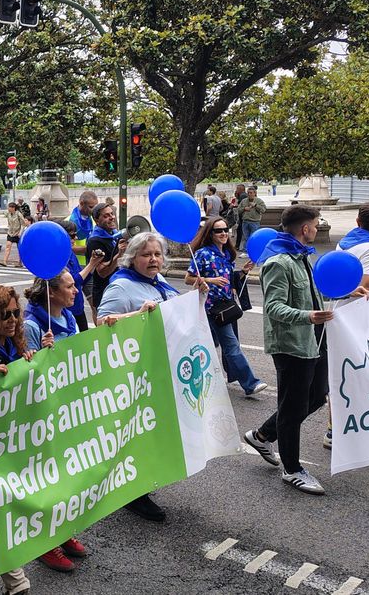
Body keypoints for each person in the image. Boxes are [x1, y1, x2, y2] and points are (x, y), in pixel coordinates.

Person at [0, 284, 81, 581]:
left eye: (16, 313)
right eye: (3, 314)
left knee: (28, 496)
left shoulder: (18, 346)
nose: (12, 320)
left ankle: (43, 543)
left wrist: (41, 361)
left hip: (18, 442)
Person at [242, 205, 352, 496]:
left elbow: (315, 293)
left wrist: (350, 291)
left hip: (315, 338)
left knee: (316, 397)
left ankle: (263, 434)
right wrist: (307, 316)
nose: (317, 229)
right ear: (305, 228)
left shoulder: (302, 257)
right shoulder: (278, 261)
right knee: (292, 407)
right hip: (292, 344)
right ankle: (292, 470)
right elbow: (274, 308)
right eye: (315, 224)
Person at [98, 231, 205, 520]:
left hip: (163, 368)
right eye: (147, 254)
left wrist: (200, 298)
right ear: (133, 259)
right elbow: (101, 323)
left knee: (156, 430)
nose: (154, 259)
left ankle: (139, 481)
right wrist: (138, 315)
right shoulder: (121, 286)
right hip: (136, 376)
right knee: (138, 432)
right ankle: (134, 495)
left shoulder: (159, 282)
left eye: (157, 254)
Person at [185, 217, 268, 396]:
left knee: (210, 345)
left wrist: (243, 272)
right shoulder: (203, 254)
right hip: (210, 308)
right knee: (231, 345)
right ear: (210, 234)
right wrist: (209, 280)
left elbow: (229, 279)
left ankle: (197, 376)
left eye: (225, 229)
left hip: (227, 307)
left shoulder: (227, 254)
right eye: (218, 231)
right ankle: (250, 383)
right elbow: (188, 278)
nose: (223, 233)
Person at [86, 202, 127, 317]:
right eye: (106, 216)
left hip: (119, 288)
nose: (112, 217)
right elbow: (102, 272)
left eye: (112, 214)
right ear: (96, 220)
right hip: (105, 292)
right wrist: (118, 255)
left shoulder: (114, 235)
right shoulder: (95, 240)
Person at [69, 191, 99, 262]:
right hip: (76, 265)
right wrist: (92, 247)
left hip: (90, 263)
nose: (94, 210)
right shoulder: (69, 221)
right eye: (91, 207)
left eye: (95, 207)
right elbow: (68, 248)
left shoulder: (94, 219)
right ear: (81, 203)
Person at [236, 186, 267, 252]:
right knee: (245, 237)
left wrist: (256, 205)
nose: (249, 194)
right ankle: (246, 250)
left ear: (255, 193)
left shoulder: (259, 201)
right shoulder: (244, 201)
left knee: (253, 237)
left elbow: (263, 210)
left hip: (255, 222)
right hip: (245, 221)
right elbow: (238, 210)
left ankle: (253, 250)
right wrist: (244, 209)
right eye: (248, 193)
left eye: (251, 193)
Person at [2, 202, 24, 267]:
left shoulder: (18, 214)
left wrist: (20, 233)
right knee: (8, 246)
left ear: (13, 208)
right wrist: (8, 228)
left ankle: (20, 262)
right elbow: (9, 222)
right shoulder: (8, 214)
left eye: (9, 207)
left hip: (17, 234)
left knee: (19, 248)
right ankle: (4, 261)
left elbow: (23, 224)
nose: (8, 209)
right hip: (10, 233)